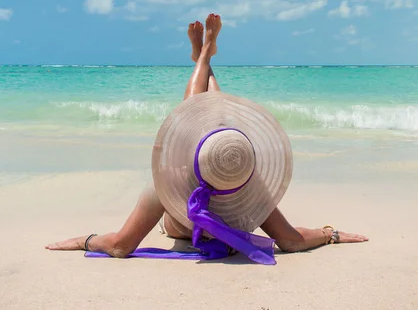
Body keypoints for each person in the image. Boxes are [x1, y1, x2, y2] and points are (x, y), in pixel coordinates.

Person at [46, 14, 368, 260]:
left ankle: (203, 57)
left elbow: (120, 246)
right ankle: (204, 56)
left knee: (199, 115)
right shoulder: (250, 186)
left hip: (178, 226)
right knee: (214, 120)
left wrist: (84, 240)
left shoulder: (169, 183)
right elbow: (292, 241)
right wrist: (330, 234)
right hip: (221, 209)